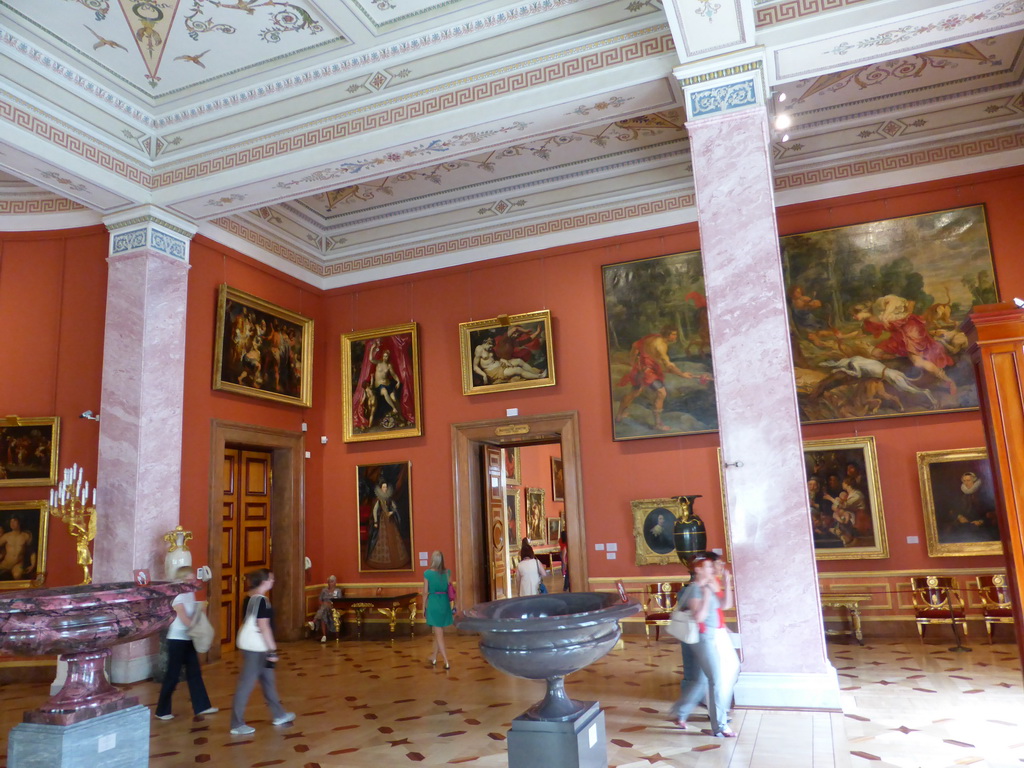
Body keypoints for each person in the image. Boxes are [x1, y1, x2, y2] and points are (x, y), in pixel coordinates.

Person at [668, 554, 737, 738]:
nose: (712, 569)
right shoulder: (694, 590)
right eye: (707, 567)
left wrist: (727, 582)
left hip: (713, 636)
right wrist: (707, 595)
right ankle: (720, 725)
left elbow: (725, 604)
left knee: (701, 679)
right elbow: (699, 617)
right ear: (698, 569)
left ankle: (681, 713)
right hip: (703, 638)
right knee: (716, 679)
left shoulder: (708, 586)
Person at [230, 569, 295, 736]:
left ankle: (279, 714)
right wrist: (272, 649)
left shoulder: (249, 596)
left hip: (252, 645)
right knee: (246, 684)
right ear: (264, 581)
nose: (273, 581)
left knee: (268, 681)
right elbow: (263, 626)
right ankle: (237, 723)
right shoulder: (263, 601)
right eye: (271, 579)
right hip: (257, 648)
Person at [615, 327, 711, 432]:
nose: (675, 337)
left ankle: (620, 415)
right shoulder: (661, 346)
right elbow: (668, 365)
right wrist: (682, 374)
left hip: (641, 369)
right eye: (673, 334)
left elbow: (635, 345)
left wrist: (633, 361)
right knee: (661, 393)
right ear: (667, 334)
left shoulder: (652, 338)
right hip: (649, 372)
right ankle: (658, 424)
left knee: (635, 392)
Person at [155, 566, 218, 721]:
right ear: (181, 579)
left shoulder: (190, 593)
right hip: (177, 639)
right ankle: (162, 710)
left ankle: (202, 706)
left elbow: (194, 612)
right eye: (188, 579)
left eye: (192, 578)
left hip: (188, 637)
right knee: (172, 675)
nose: (192, 581)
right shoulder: (177, 596)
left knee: (194, 672)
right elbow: (183, 618)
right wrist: (200, 630)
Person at [366, 480, 410, 570]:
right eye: (383, 487)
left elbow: (394, 508)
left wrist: (392, 512)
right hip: (382, 522)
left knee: (394, 538)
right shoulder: (378, 500)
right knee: (381, 539)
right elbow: (375, 511)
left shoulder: (389, 499)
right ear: (380, 489)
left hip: (390, 521)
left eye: (386, 487)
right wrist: (375, 522)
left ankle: (396, 560)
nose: (385, 489)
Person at [472, 336, 546, 385]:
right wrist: (484, 375)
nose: (491, 348)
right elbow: (475, 367)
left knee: (519, 361)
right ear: (485, 343)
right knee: (517, 370)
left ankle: (535, 373)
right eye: (490, 346)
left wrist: (505, 361)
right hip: (494, 372)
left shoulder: (490, 349)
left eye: (492, 346)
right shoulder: (479, 349)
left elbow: (497, 358)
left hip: (500, 364)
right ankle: (538, 377)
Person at [423, 551, 454, 669]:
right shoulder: (447, 573)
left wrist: (423, 608)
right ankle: (434, 657)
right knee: (438, 631)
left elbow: (425, 592)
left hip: (434, 603)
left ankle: (446, 660)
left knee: (439, 633)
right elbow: (450, 588)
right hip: (445, 603)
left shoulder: (427, 573)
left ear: (433, 560)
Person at [310, 575, 342, 642]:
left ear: (335, 582)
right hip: (324, 607)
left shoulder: (338, 590)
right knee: (323, 612)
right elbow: (319, 600)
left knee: (323, 608)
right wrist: (324, 604)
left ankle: (314, 622)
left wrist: (328, 604)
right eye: (329, 582)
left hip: (333, 608)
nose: (330, 583)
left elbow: (339, 601)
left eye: (332, 582)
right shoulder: (324, 590)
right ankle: (324, 636)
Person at [0, 515, 33, 580]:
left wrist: (32, 565)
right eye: (11, 522)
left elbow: (32, 551)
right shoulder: (6, 536)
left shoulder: (26, 536)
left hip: (17, 564)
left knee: (17, 575)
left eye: (14, 521)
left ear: (19, 522)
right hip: (5, 563)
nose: (12, 524)